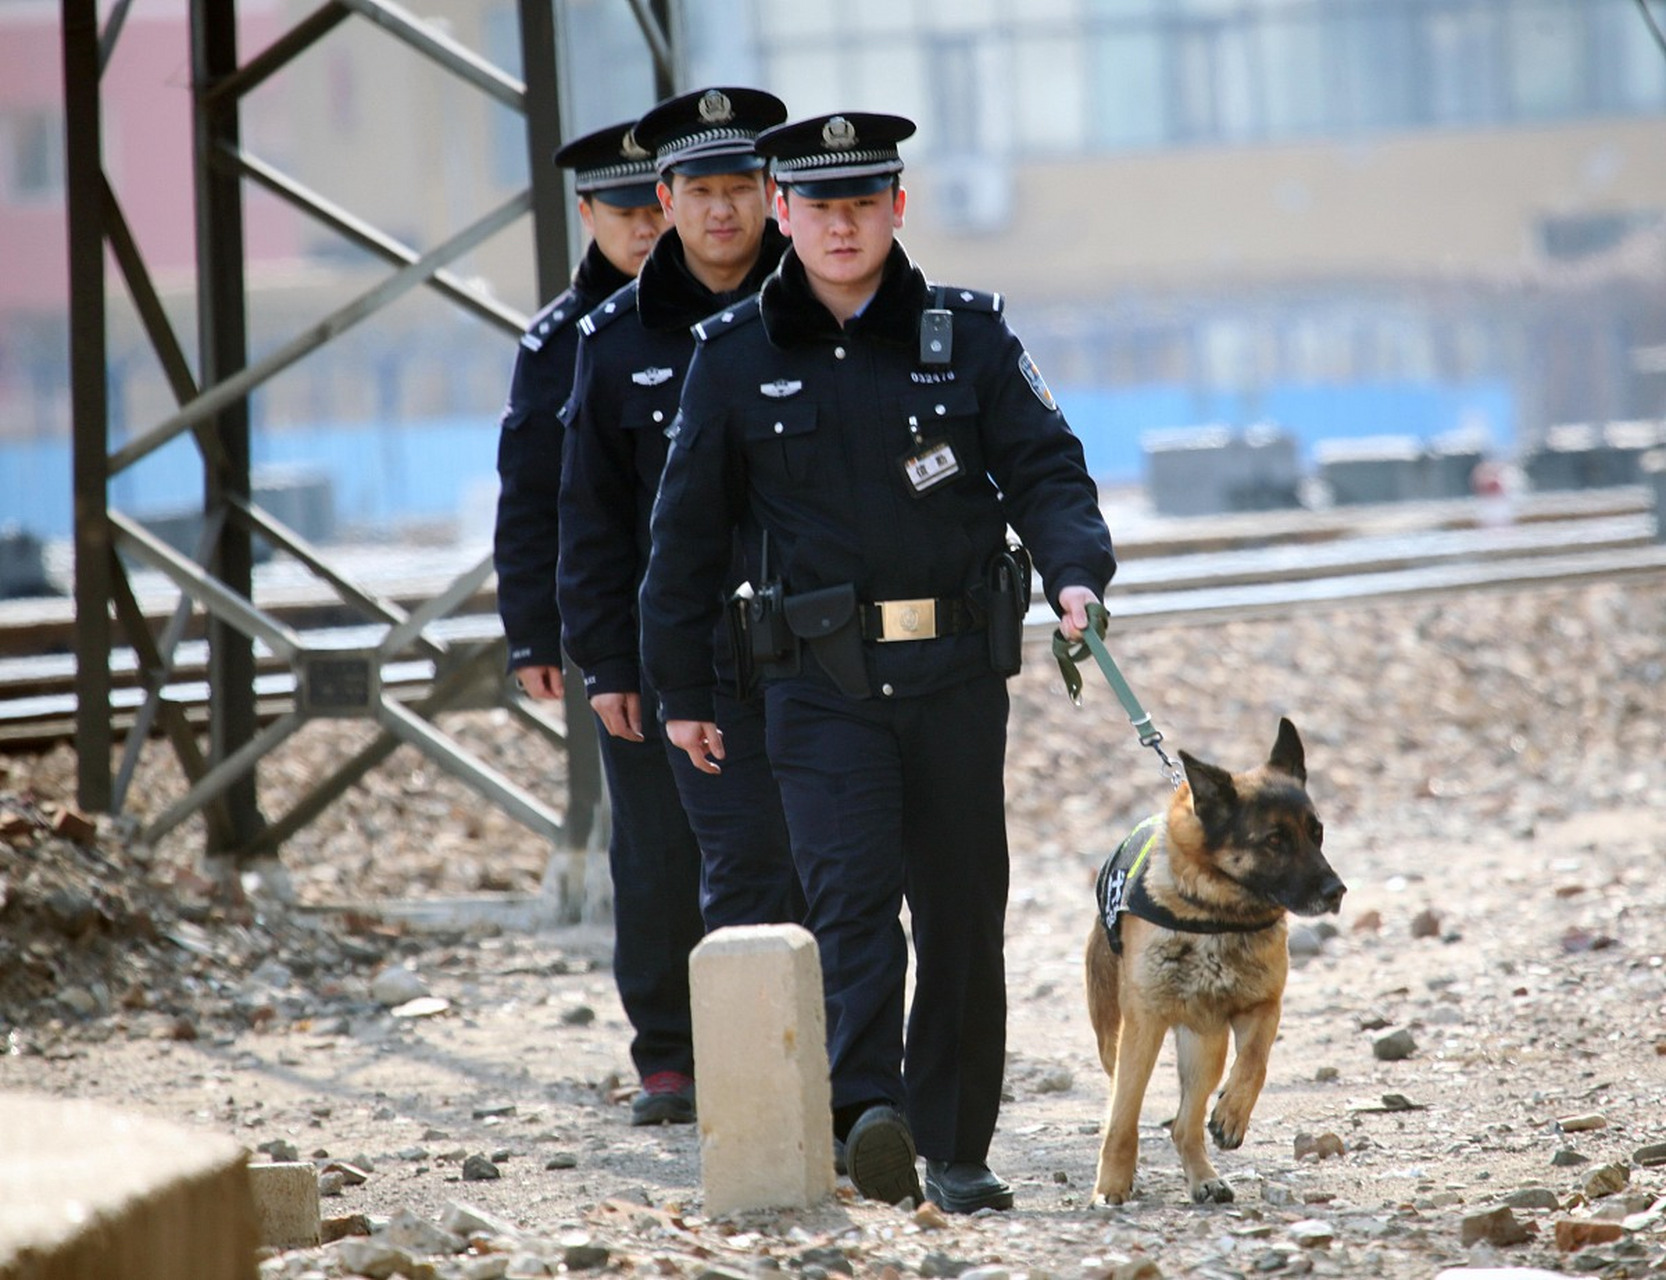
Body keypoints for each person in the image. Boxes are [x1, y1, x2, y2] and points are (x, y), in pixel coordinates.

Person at [639, 112, 1116, 1211]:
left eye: (863, 203)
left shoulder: (972, 334)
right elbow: (686, 540)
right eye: (819, 207)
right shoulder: (732, 358)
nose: (842, 226)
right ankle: (868, 1113)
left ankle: (954, 1146)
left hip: (953, 675)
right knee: (851, 897)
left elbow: (1049, 470)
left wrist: (1075, 574)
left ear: (895, 208)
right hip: (817, 685)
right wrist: (683, 690)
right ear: (782, 213)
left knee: (958, 906)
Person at [556, 88, 802, 1124]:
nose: (720, 211)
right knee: (674, 857)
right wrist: (606, 662)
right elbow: (588, 515)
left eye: (739, 188)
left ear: (769, 198)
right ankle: (691, 1063)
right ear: (667, 198)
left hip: (809, 640)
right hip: (681, 650)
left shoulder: (823, 306)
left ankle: (839, 1060)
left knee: (823, 852)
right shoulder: (612, 340)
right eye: (698, 191)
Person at [493, 119, 666, 697]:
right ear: (587, 215)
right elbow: (530, 496)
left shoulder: (726, 319)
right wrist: (532, 632)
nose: (646, 229)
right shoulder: (557, 343)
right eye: (625, 214)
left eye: (655, 209)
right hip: (616, 621)